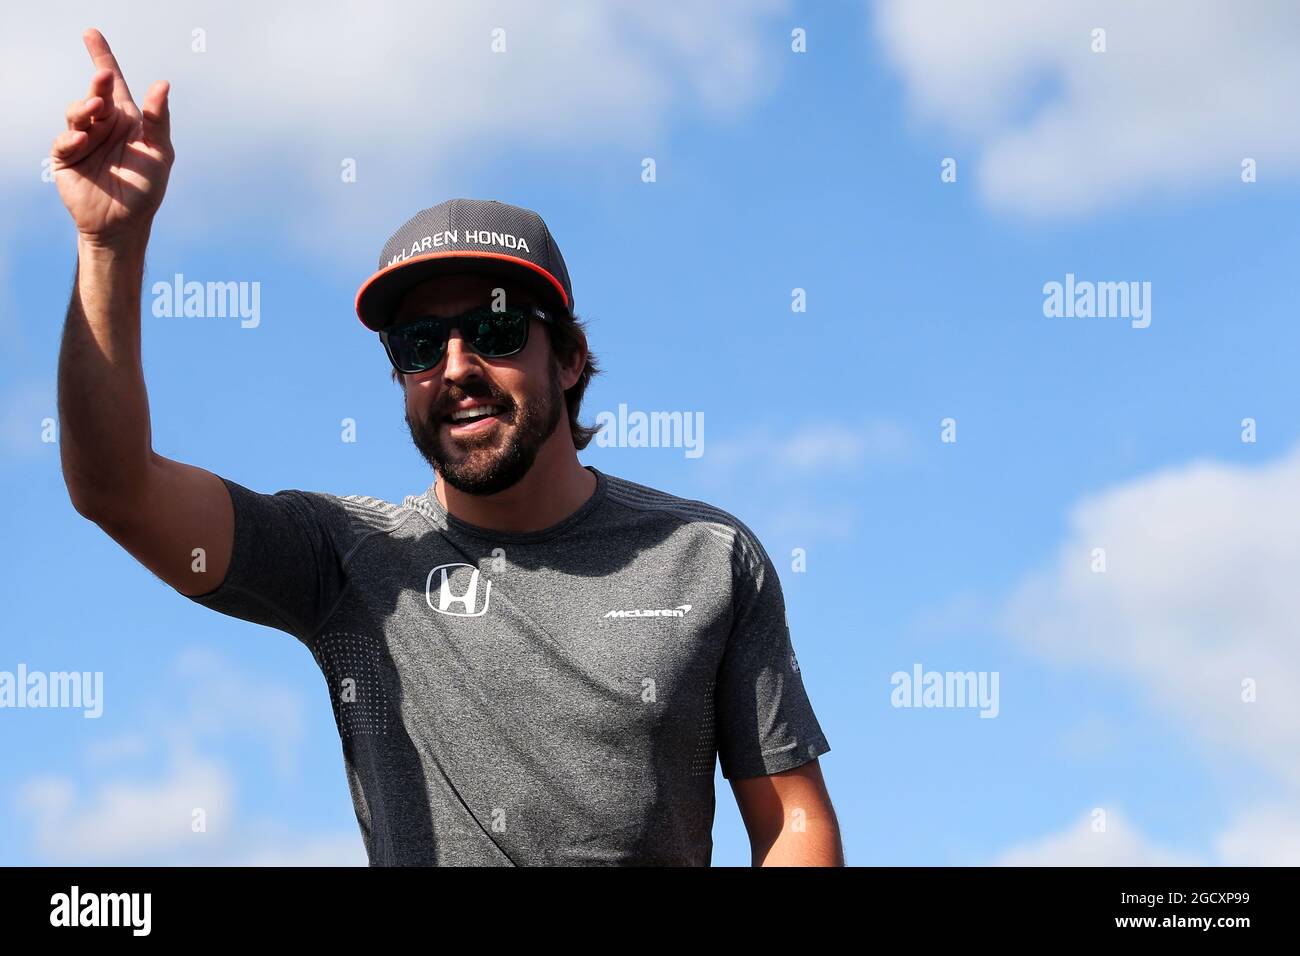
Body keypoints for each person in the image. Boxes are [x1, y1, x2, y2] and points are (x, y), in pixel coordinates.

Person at [52, 28, 843, 866]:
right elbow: (115, 490)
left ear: (570, 357)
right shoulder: (346, 559)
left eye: (496, 328)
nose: (457, 368)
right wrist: (109, 248)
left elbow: (794, 820)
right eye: (420, 344)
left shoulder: (706, 558)